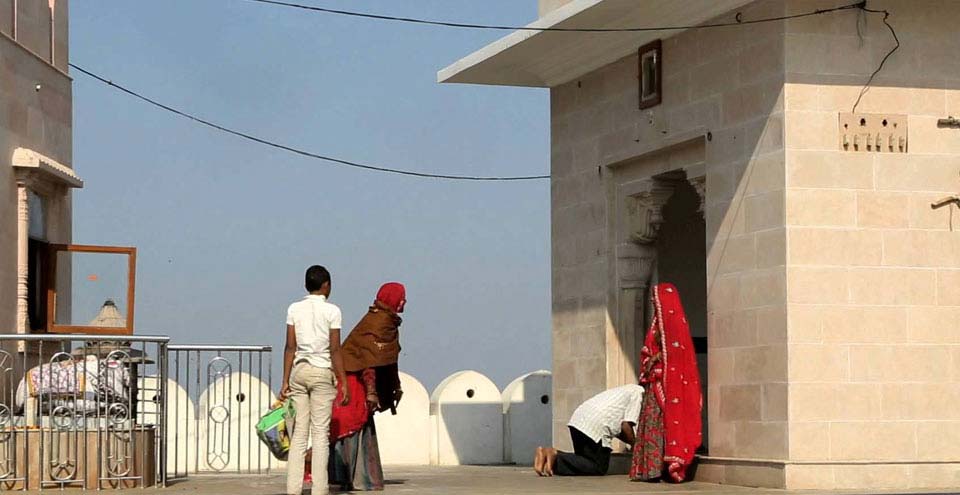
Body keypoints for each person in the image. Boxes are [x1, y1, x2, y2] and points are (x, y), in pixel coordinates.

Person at [328, 282, 406, 491]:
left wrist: (395, 386)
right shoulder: (377, 323)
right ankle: (351, 478)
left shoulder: (387, 323)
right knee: (352, 427)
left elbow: (388, 358)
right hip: (354, 383)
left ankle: (359, 478)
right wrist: (371, 392)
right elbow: (368, 361)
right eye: (401, 297)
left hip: (361, 385)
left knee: (361, 429)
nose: (404, 301)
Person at [281, 265, 350, 495]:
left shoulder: (294, 309)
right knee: (320, 434)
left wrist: (285, 381)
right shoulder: (333, 311)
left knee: (299, 434)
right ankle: (319, 490)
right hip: (322, 373)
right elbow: (335, 349)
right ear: (326, 285)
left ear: (306, 285)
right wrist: (343, 381)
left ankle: (293, 489)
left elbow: (290, 347)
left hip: (299, 372)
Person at [630, 283, 702, 483]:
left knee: (664, 425)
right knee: (652, 424)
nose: (653, 302)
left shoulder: (675, 324)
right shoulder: (656, 324)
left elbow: (678, 354)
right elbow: (647, 351)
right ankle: (650, 470)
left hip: (669, 385)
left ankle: (665, 468)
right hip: (654, 383)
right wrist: (651, 360)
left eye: (656, 299)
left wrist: (661, 357)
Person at [534, 384, 644, 476]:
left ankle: (548, 457)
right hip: (595, 425)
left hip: (578, 420)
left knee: (583, 461)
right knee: (598, 467)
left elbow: (620, 428)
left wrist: (631, 442)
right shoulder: (639, 393)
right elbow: (626, 426)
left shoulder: (627, 389)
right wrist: (637, 446)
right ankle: (555, 456)